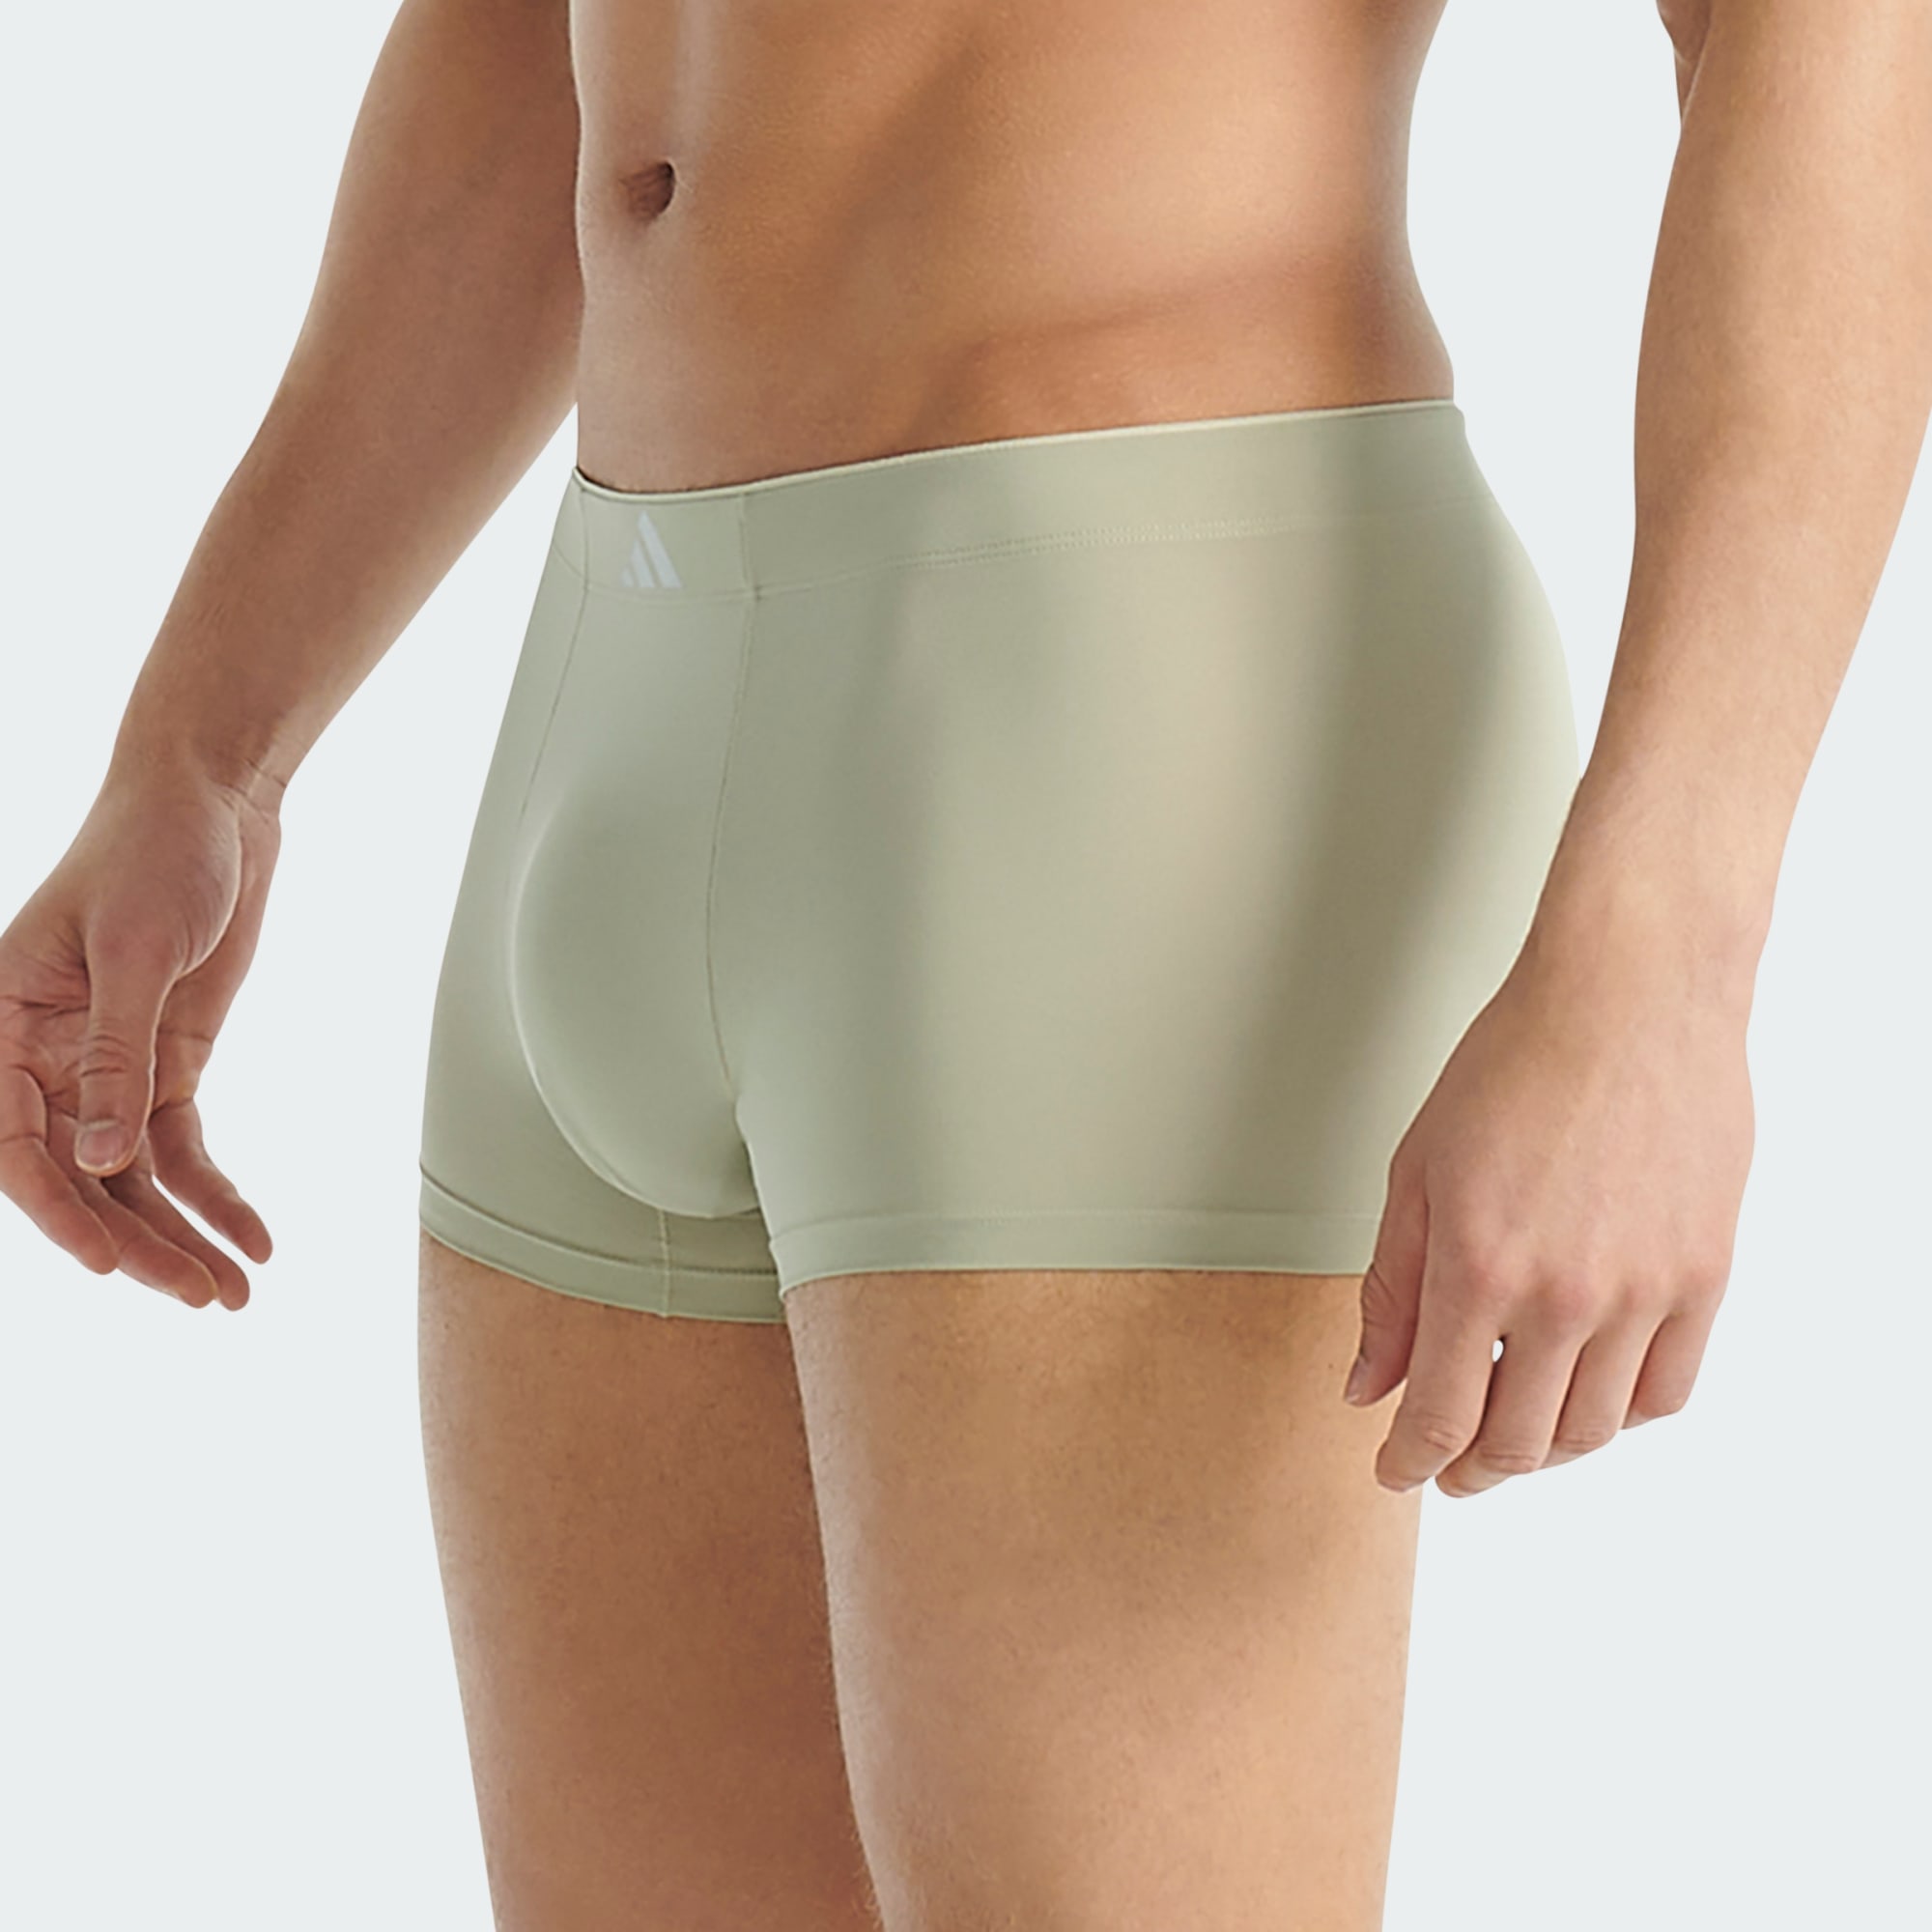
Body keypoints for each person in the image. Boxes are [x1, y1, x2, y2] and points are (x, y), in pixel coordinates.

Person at [3, 0, 1927, 1925]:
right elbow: (523, 42)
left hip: (1136, 691)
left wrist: (1668, 951)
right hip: (618, 678)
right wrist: (208, 742)